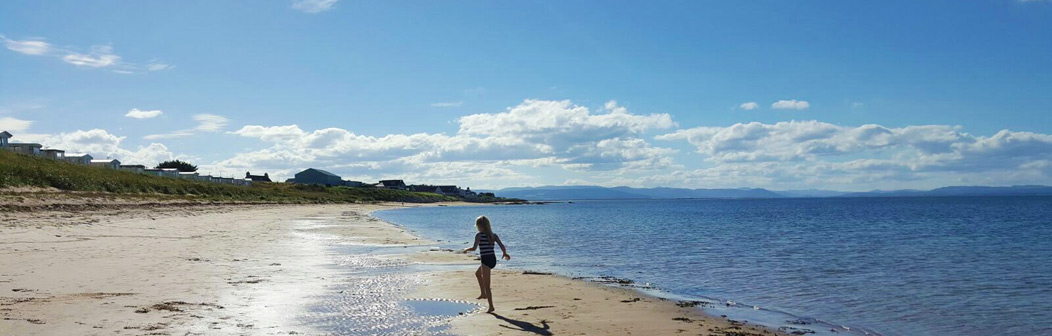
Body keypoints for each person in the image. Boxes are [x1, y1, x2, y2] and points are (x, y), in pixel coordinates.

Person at [461, 215, 510, 312]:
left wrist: (466, 249)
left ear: (479, 225)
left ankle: (491, 306)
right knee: (478, 274)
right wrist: (504, 253)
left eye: (477, 225)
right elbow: (501, 245)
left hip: (486, 260)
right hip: (492, 259)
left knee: (487, 286)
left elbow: (474, 248)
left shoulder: (479, 235)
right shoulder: (493, 235)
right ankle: (483, 293)